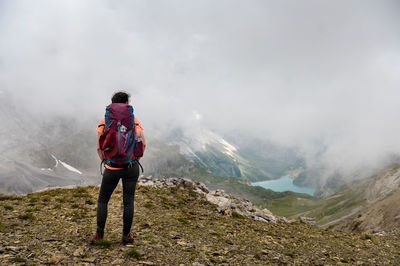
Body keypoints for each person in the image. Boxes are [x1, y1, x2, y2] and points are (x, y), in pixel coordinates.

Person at [90, 91, 146, 244]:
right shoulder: (134, 120)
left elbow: (98, 147)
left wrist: (107, 162)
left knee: (103, 201)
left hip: (112, 168)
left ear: (113, 103)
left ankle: (99, 235)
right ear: (127, 103)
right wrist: (133, 160)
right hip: (131, 167)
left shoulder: (105, 120)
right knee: (128, 201)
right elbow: (143, 144)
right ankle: (126, 236)